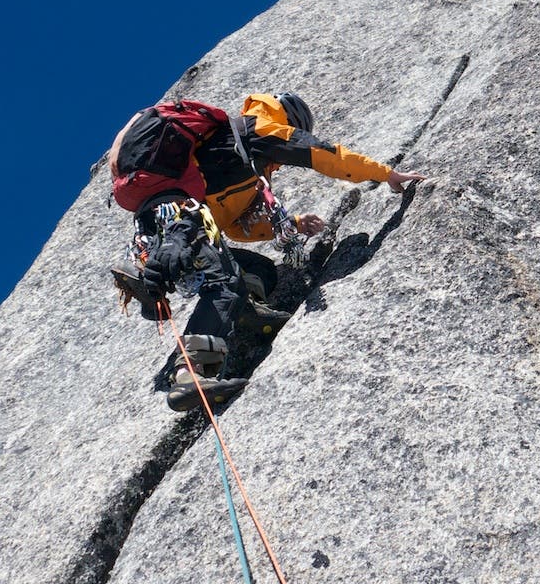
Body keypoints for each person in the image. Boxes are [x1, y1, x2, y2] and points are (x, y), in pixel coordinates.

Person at [110, 91, 423, 411]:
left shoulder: (239, 154)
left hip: (163, 217)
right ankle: (191, 374)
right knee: (225, 282)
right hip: (184, 220)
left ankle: (239, 308)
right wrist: (387, 174)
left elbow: (235, 226)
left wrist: (295, 224)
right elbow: (326, 154)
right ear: (290, 120)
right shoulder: (260, 131)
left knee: (260, 271)